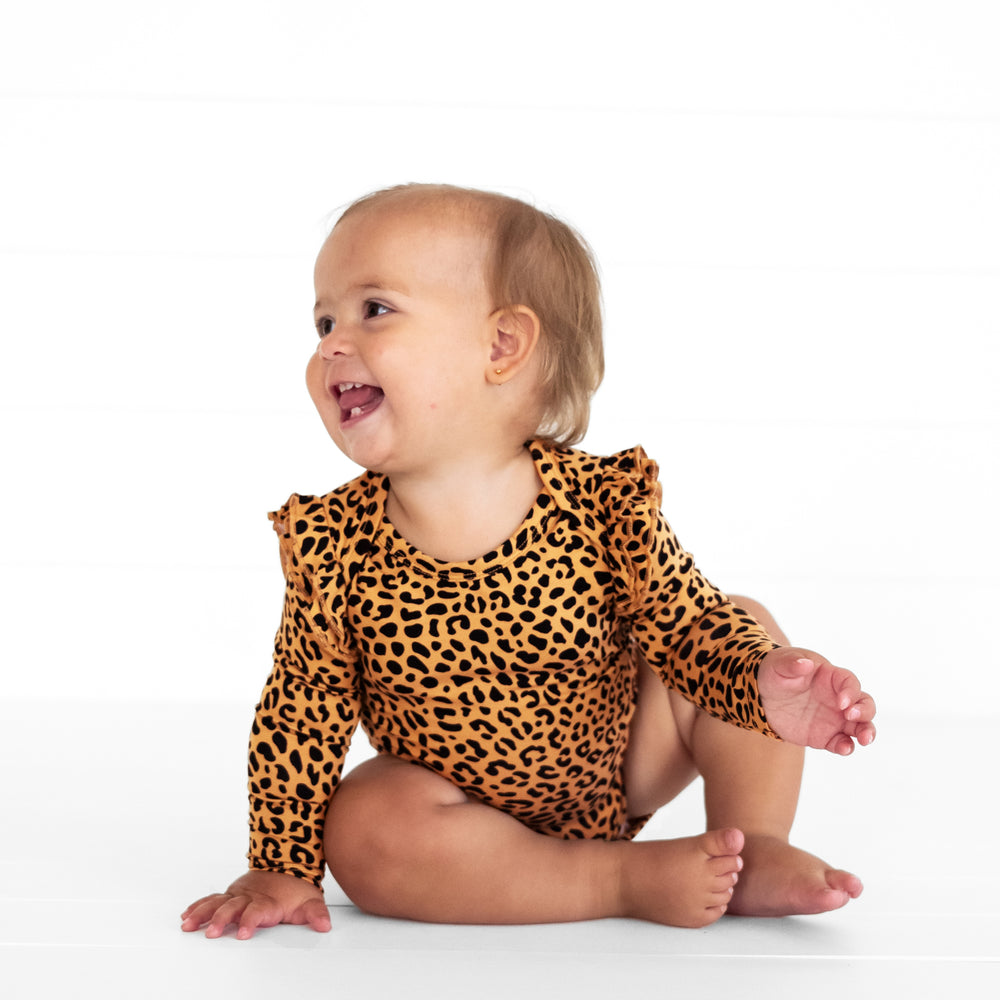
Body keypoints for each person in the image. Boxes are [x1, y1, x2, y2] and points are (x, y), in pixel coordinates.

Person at [181, 183, 876, 940]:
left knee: (742, 624)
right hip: (452, 810)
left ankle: (753, 848)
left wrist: (759, 688)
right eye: (323, 320)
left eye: (372, 310)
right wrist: (281, 863)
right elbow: (302, 710)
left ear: (502, 346)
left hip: (617, 767)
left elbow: (686, 632)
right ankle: (617, 879)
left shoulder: (604, 507)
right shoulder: (335, 543)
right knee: (364, 822)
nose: (329, 346)